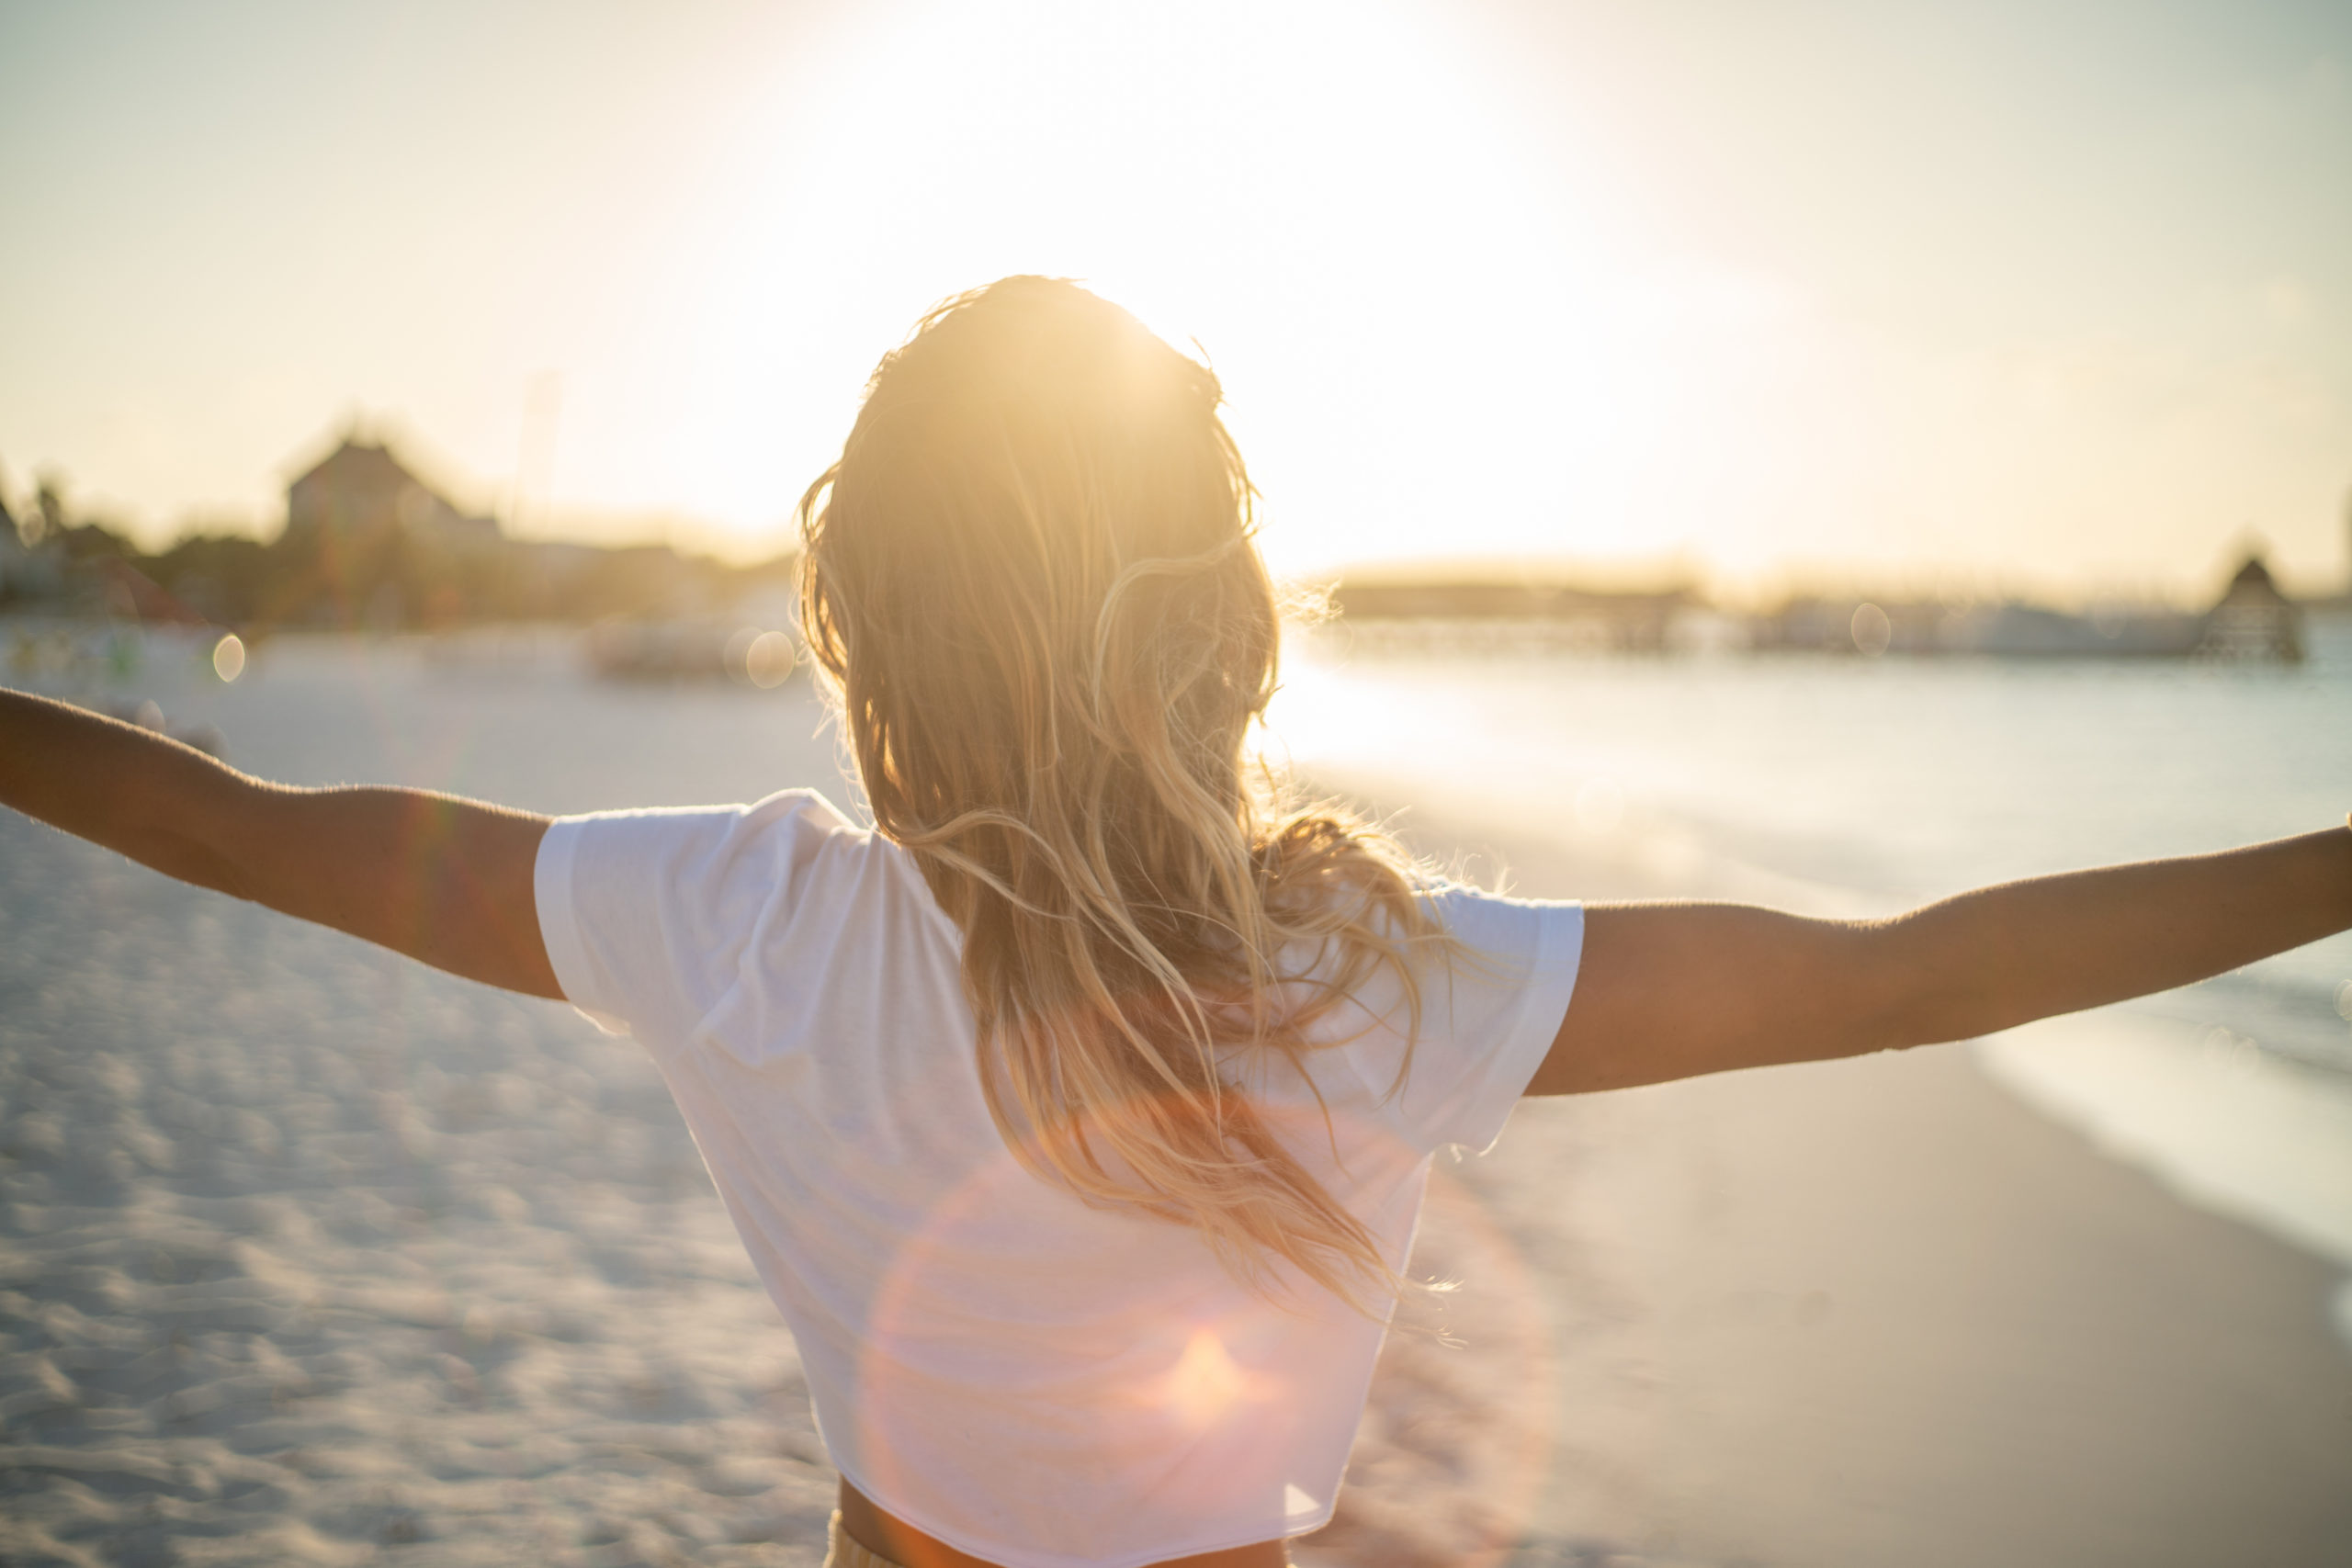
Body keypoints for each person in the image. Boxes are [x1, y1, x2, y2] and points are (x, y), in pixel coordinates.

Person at [1, 276, 2346, 1568]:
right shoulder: (1370, 982)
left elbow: (225, 819)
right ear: (1215, 618)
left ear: (868, 638)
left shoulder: (727, 913)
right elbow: (1906, 973)